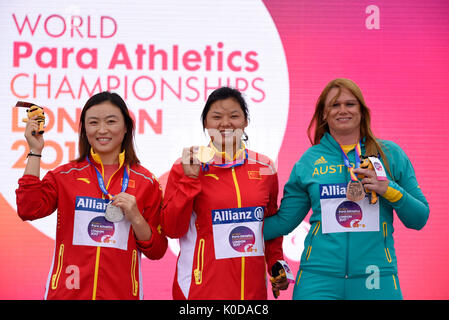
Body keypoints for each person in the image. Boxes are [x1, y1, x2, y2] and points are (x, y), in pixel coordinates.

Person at [263, 78, 429, 300]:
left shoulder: (390, 154)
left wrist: (388, 189)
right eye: (334, 105)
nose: (343, 110)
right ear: (323, 114)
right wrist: (222, 227)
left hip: (376, 276)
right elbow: (284, 221)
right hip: (318, 278)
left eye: (350, 104)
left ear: (361, 110)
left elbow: (418, 218)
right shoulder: (309, 161)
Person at [15, 91, 168, 300]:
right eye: (93, 122)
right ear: (84, 130)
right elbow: (28, 209)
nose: (102, 130)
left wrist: (136, 218)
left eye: (111, 121)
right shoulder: (65, 175)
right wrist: (35, 151)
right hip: (66, 294)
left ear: (126, 128)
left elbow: (157, 250)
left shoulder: (146, 182)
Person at [161, 86, 288, 300]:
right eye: (217, 117)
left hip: (252, 291)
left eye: (234, 116)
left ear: (246, 121)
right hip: (200, 289)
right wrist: (189, 180)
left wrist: (276, 263)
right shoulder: (186, 165)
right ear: (205, 124)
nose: (225, 123)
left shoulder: (265, 166)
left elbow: (269, 223)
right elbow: (172, 229)